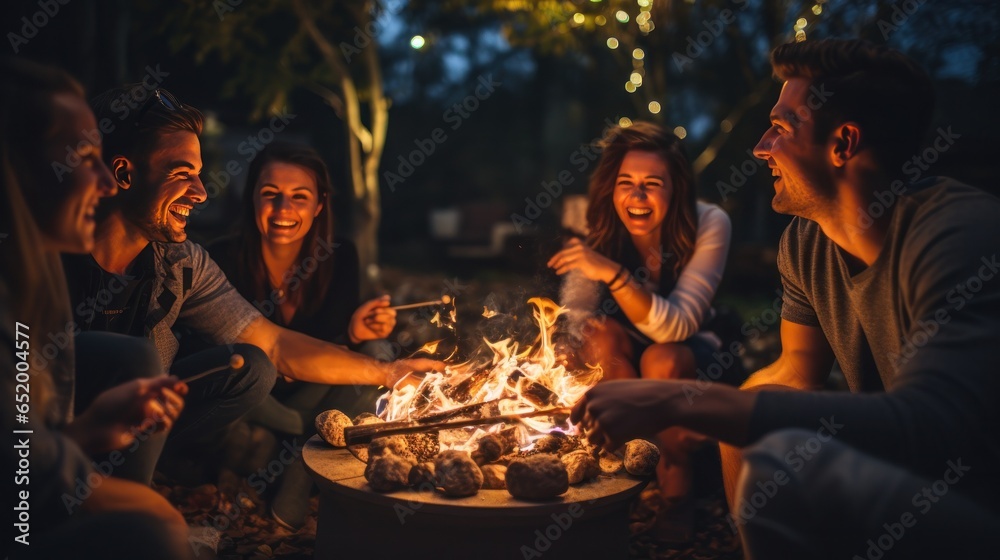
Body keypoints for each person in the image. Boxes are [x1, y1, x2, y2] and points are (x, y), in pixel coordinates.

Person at [571, 39, 999, 558]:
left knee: (783, 457)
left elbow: (933, 428)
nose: (760, 146)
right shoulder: (807, 241)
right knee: (753, 407)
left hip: (977, 504)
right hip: (906, 484)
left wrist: (675, 398)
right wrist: (726, 411)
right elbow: (795, 372)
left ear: (843, 144)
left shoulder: (959, 234)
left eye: (781, 127)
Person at [60, 86, 440, 481]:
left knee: (252, 364)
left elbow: (273, 342)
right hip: (49, 441)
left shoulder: (180, 263)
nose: (201, 192)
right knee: (141, 361)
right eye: (182, 174)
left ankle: (146, 477)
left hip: (135, 430)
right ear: (123, 174)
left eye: (199, 175)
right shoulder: (46, 262)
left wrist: (390, 372)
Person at [1, 57, 189, 559]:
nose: (105, 183)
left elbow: (18, 445)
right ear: (19, 168)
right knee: (149, 535)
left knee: (135, 360)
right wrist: (137, 507)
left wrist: (82, 432)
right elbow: (18, 489)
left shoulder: (34, 272)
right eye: (85, 157)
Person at [547, 121, 732, 540]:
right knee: (597, 333)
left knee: (662, 357)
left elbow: (679, 325)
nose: (637, 195)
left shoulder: (710, 222)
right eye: (626, 182)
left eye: (653, 183)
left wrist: (612, 274)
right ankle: (633, 457)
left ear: (677, 189)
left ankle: (676, 488)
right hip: (625, 350)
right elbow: (576, 311)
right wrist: (563, 348)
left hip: (693, 347)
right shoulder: (593, 219)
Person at [207, 141, 396, 528]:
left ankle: (294, 463)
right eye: (270, 195)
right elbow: (221, 354)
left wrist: (353, 331)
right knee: (243, 370)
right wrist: (279, 362)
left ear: (319, 204)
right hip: (257, 398)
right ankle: (309, 445)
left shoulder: (340, 254)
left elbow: (337, 349)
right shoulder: (219, 259)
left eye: (299, 196)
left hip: (313, 393)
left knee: (378, 349)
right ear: (252, 199)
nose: (283, 210)